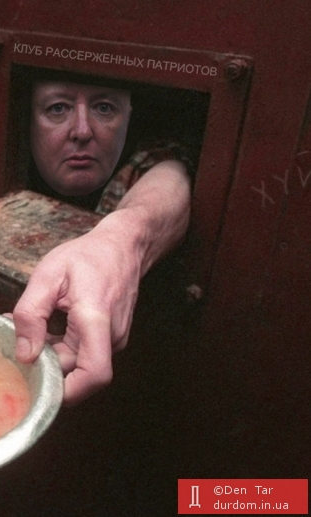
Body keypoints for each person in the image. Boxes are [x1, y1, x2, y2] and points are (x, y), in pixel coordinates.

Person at [12, 75, 192, 406]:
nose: (82, 131)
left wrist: (122, 240)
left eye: (104, 108)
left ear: (129, 116)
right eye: (58, 108)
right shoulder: (11, 158)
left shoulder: (142, 160)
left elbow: (172, 176)